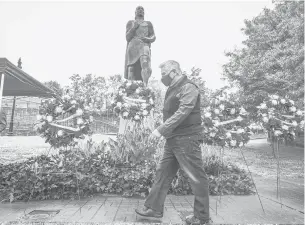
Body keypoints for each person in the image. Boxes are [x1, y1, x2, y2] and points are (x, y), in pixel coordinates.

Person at [135, 60, 211, 225]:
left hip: (187, 139)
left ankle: (202, 217)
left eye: (164, 74)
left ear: (174, 71)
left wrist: (160, 130)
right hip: (174, 139)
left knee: (197, 178)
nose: (162, 78)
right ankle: (153, 209)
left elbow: (184, 111)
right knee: (163, 173)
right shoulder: (173, 88)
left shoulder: (189, 87)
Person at [124, 6, 156, 86]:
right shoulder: (131, 22)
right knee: (131, 67)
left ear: (144, 13)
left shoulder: (148, 24)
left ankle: (145, 86)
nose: (140, 10)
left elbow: (153, 36)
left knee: (145, 63)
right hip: (133, 46)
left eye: (142, 9)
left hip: (144, 44)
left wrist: (147, 38)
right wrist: (134, 28)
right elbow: (127, 37)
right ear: (135, 12)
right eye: (138, 9)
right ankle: (130, 87)